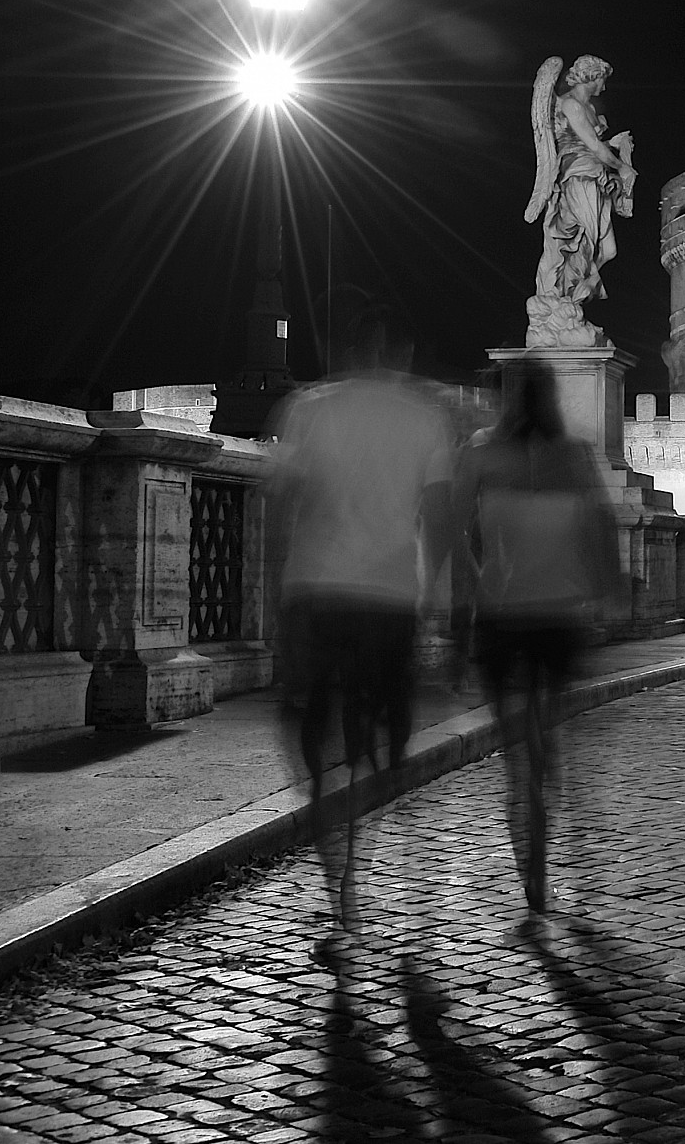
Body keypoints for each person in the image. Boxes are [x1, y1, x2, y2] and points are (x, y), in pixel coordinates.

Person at [269, 302, 455, 963]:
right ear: (400, 353)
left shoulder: (310, 408)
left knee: (312, 743)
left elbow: (281, 501)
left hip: (315, 592)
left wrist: (275, 586)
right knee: (380, 746)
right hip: (387, 596)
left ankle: (338, 890)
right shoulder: (425, 416)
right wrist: (436, 593)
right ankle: (357, 864)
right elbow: (438, 514)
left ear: (349, 349)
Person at [452, 359, 623, 916]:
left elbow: (452, 530)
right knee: (545, 742)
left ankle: (531, 866)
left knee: (515, 757)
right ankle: (550, 839)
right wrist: (608, 594)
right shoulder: (572, 457)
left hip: (501, 616)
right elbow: (599, 532)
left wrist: (469, 596)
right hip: (557, 616)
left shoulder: (481, 454)